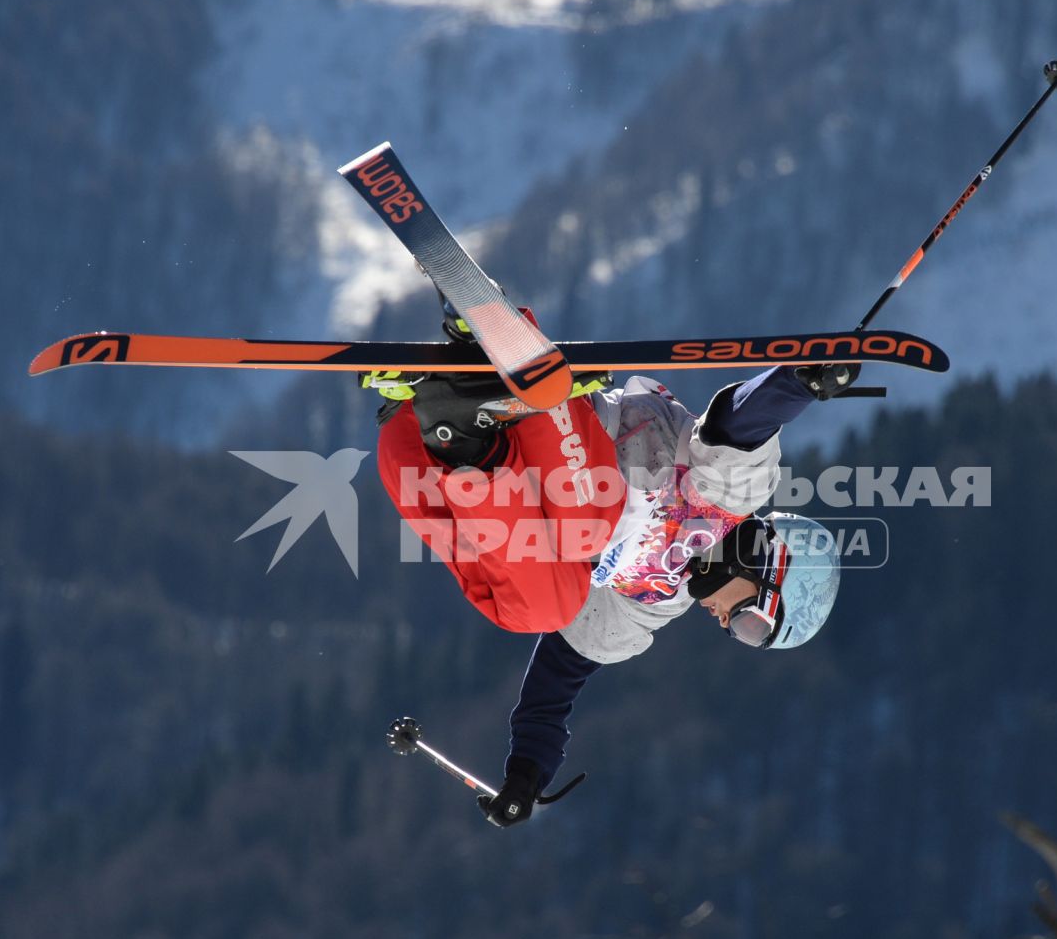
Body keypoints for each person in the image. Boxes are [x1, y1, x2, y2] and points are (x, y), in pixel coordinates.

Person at [366, 289, 858, 827]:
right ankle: (496, 332)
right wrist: (799, 382)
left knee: (533, 609)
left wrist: (527, 773)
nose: (726, 626)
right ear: (770, 567)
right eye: (749, 624)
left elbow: (558, 678)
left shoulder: (651, 604)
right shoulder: (730, 498)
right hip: (550, 421)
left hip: (427, 451)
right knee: (591, 530)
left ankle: (450, 428)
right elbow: (740, 424)